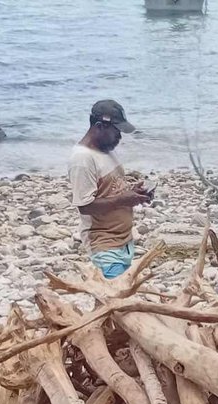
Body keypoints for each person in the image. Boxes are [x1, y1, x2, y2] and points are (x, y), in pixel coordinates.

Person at [68, 100, 152, 279]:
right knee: (117, 294)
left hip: (124, 241)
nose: (119, 137)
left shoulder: (106, 150)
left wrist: (134, 193)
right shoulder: (83, 159)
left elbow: (109, 190)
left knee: (122, 292)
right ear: (100, 126)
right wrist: (123, 200)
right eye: (116, 131)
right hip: (104, 245)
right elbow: (85, 206)